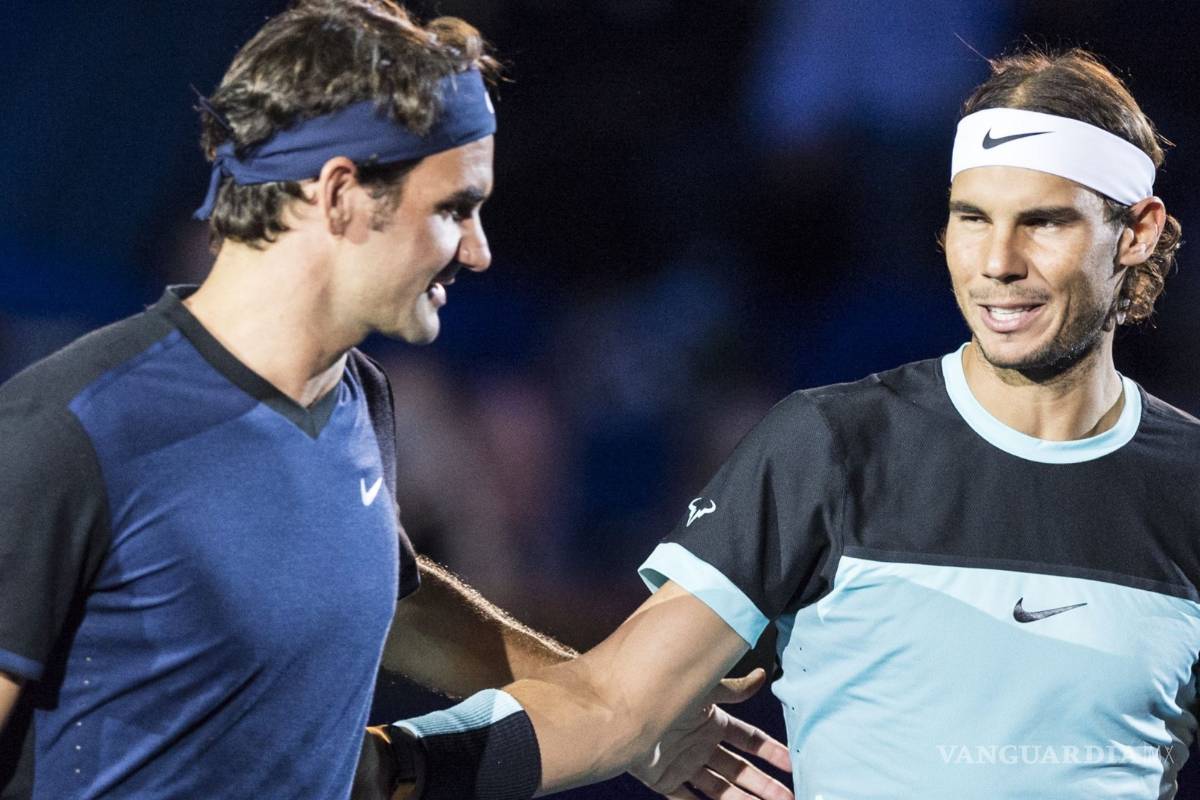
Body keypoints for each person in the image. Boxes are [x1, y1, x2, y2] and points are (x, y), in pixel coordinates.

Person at [0, 2, 793, 798]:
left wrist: (612, 708)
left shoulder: (355, 399)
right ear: (342, 193)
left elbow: (384, 591)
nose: (479, 252)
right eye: (455, 209)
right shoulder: (73, 433)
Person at [370, 48, 1200, 800]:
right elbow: (612, 705)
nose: (996, 264)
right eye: (972, 217)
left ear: (1138, 231)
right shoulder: (828, 448)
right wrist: (381, 768)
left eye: (1043, 221)